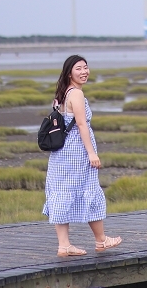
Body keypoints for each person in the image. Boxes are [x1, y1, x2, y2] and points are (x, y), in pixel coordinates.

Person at [43, 54, 122, 256]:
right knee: (89, 190)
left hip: (61, 154)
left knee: (61, 193)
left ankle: (64, 245)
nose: (84, 71)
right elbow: (81, 124)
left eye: (86, 67)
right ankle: (101, 240)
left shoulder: (62, 93)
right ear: (69, 72)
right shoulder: (76, 94)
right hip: (76, 152)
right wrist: (91, 153)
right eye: (78, 68)